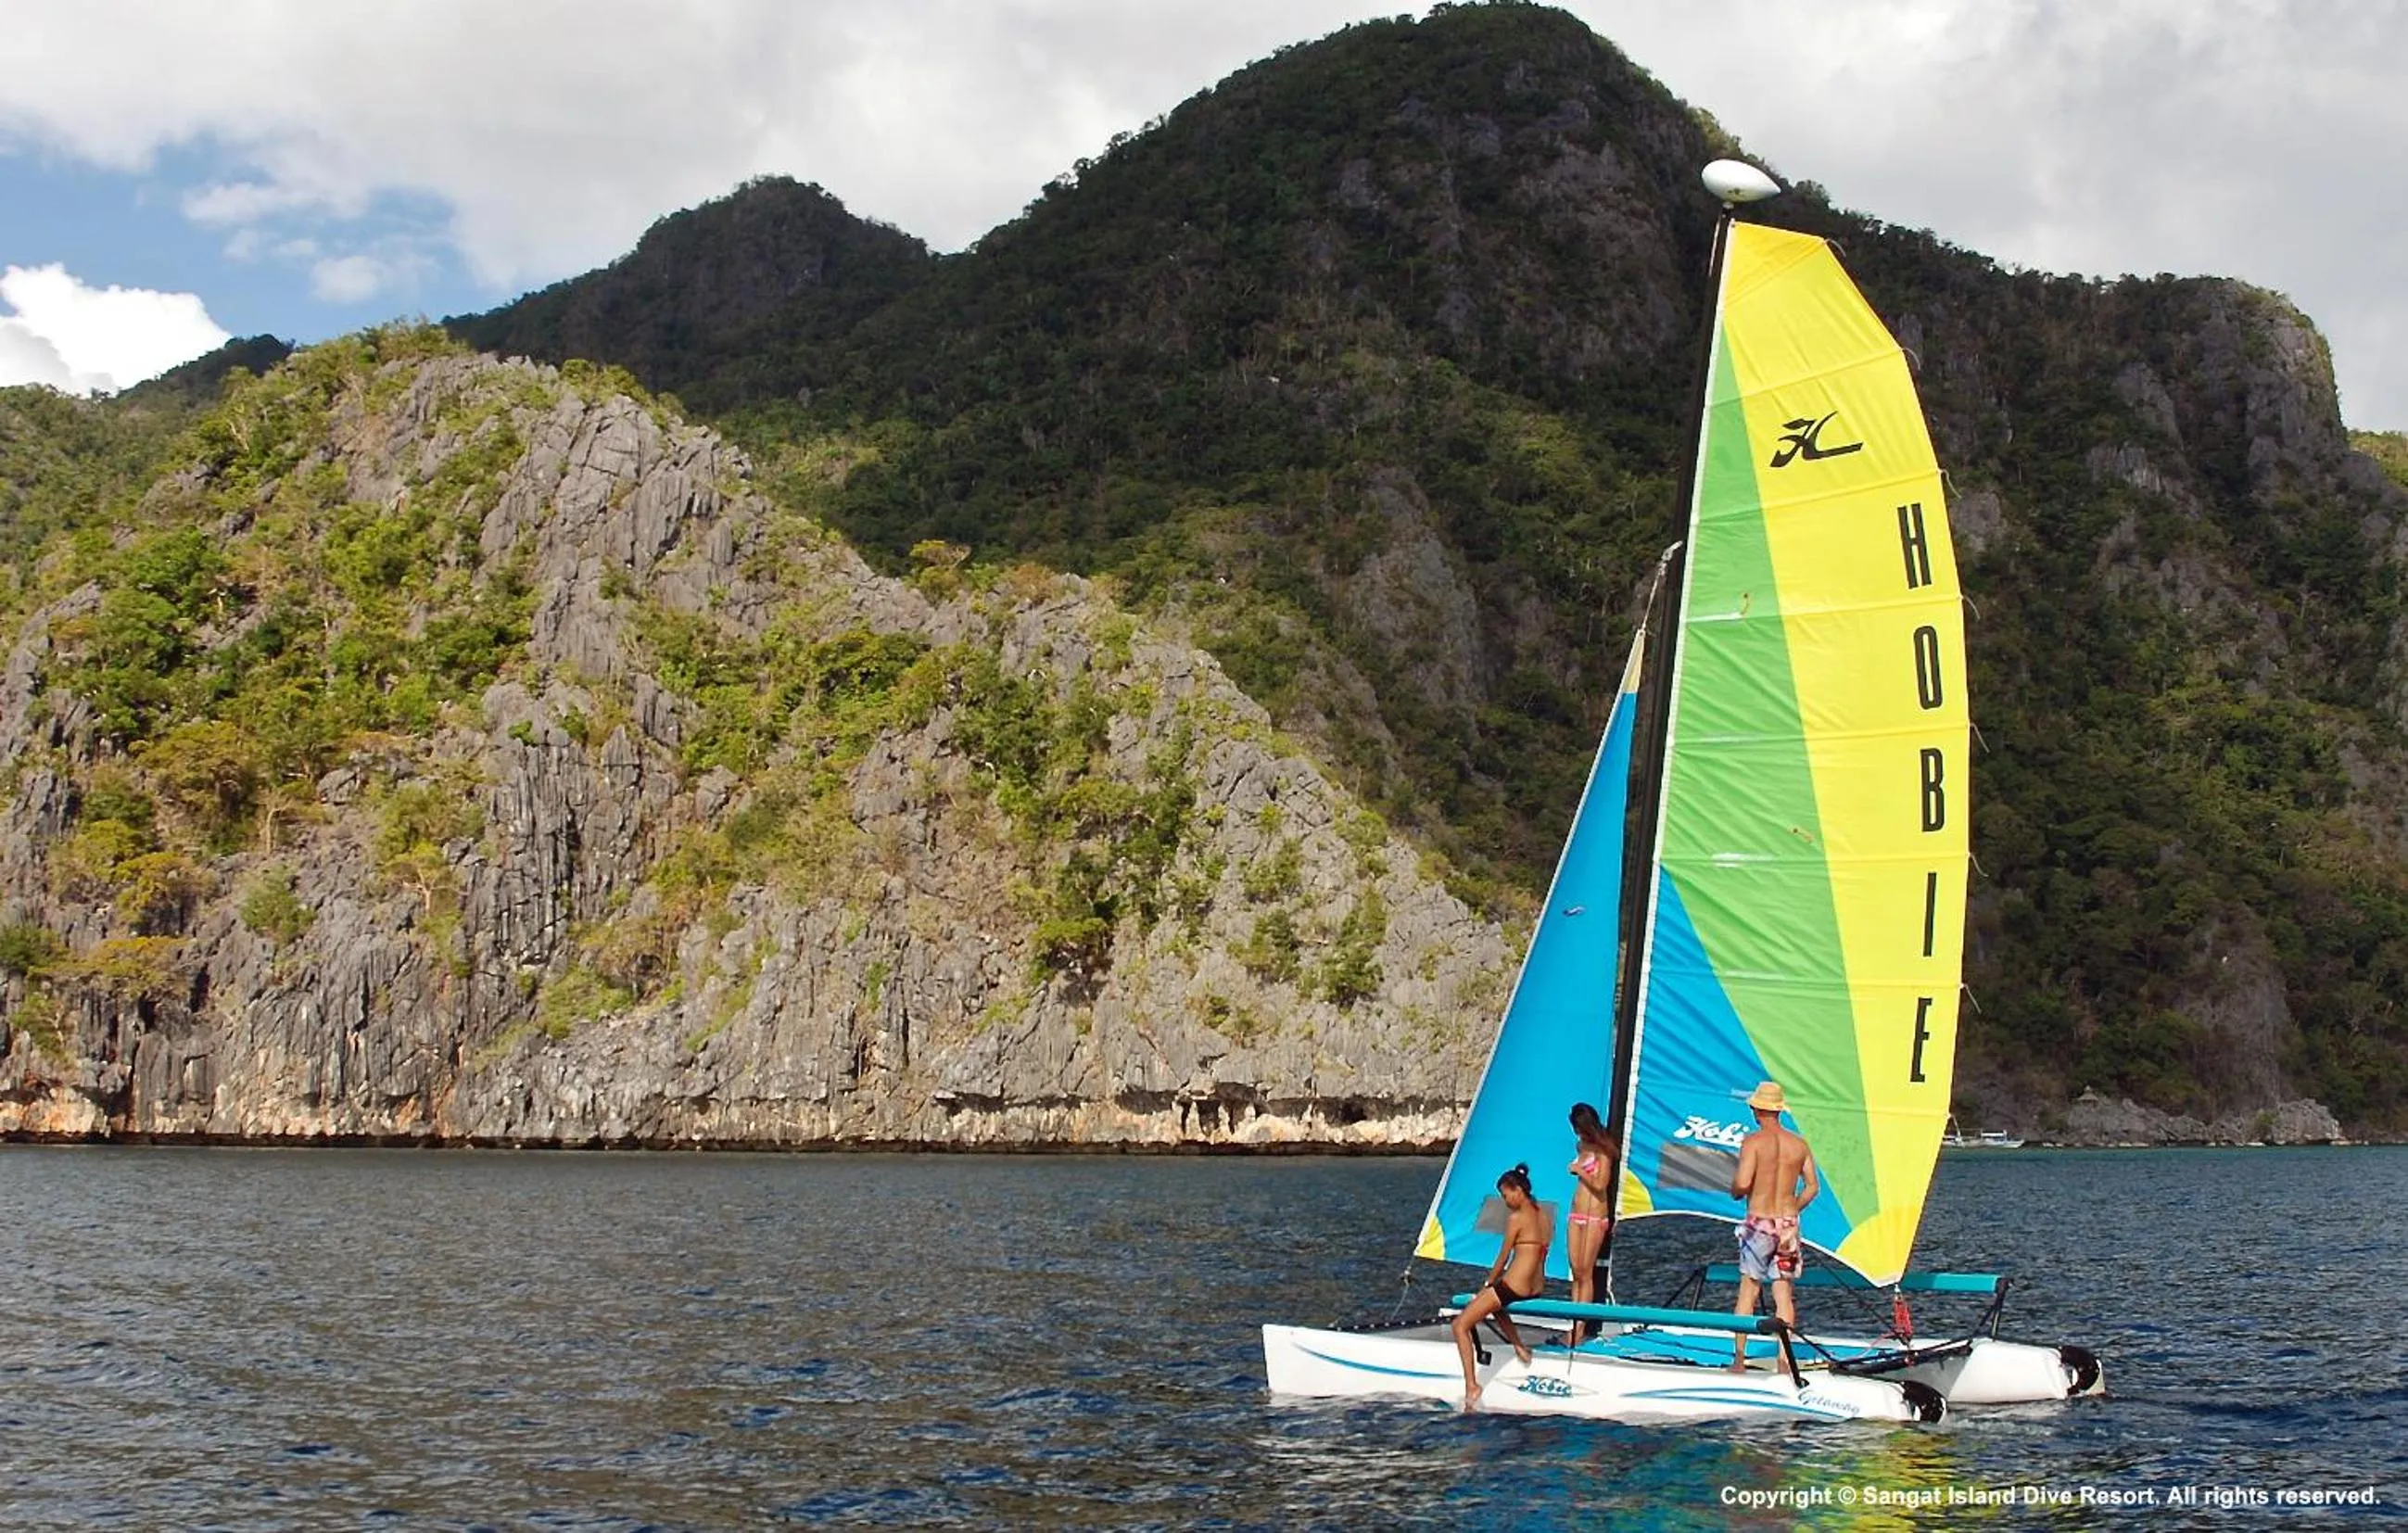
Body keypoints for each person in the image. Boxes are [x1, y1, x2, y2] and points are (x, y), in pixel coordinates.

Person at [1728, 1080, 1817, 1371]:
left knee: (1748, 1292)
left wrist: (1736, 1191)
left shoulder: (1753, 1142)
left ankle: (1739, 1360)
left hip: (1760, 1221)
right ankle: (1783, 1361)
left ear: (1758, 1109)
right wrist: (1792, 1208)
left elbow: (1742, 1183)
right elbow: (1812, 1188)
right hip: (1788, 1223)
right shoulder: (1799, 1144)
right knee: (1783, 1294)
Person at [1451, 1162, 1549, 1410]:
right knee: (1495, 1303)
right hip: (1535, 1286)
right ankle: (1519, 1346)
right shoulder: (1543, 1215)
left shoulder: (1516, 1218)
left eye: (1505, 1195)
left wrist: (1487, 1283)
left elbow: (1503, 1257)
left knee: (1460, 1325)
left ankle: (1472, 1385)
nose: (1505, 1202)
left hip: (1515, 1285)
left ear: (1517, 1190)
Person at [1565, 1102, 1617, 1339]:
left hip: (1594, 1215)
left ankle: (1580, 1329)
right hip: (1577, 1213)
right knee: (1576, 1272)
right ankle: (1574, 1322)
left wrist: (1581, 1171)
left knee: (1586, 1273)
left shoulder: (1604, 1150)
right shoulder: (1581, 1145)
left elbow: (1600, 1184)